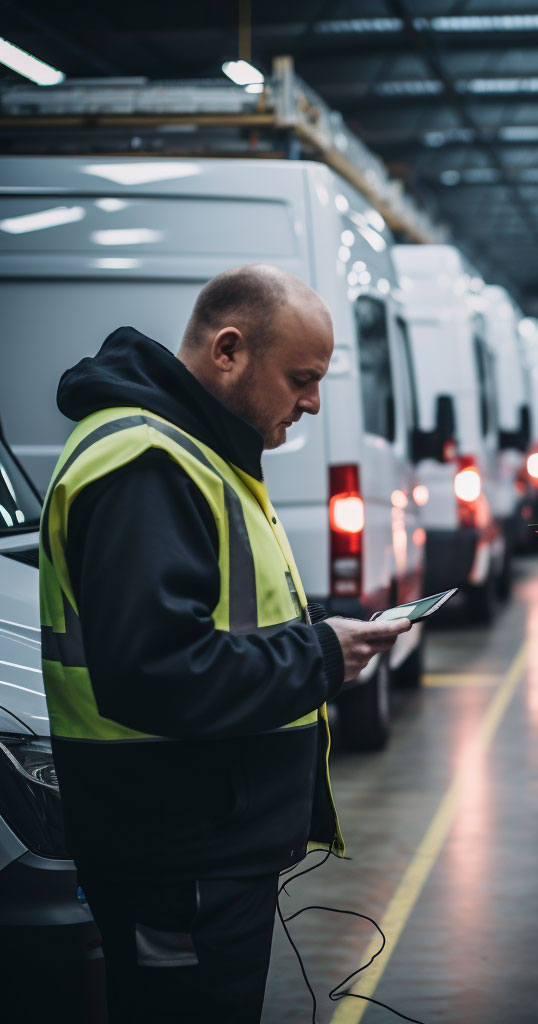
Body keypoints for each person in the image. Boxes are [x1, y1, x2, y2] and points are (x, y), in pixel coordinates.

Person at [37, 264, 411, 1023]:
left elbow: (213, 621)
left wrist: (318, 625)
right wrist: (321, 657)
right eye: (301, 379)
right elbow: (155, 669)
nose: (311, 403)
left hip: (199, 844)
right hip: (173, 853)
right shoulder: (146, 463)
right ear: (229, 351)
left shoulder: (197, 452)